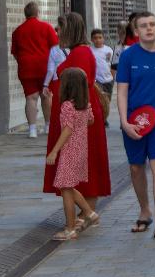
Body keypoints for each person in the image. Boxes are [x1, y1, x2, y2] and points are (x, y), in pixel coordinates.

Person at [115, 12, 155, 239]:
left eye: (152, 24)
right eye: (143, 26)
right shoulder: (128, 56)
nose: (149, 29)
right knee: (135, 167)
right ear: (136, 32)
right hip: (134, 119)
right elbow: (122, 91)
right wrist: (124, 122)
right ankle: (145, 210)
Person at [44, 13, 112, 207]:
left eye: (60, 28)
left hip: (79, 120)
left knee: (84, 164)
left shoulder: (81, 53)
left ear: (70, 30)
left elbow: (80, 90)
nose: (57, 32)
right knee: (81, 164)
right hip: (78, 118)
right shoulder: (79, 52)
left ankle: (88, 211)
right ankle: (86, 211)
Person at [45, 68, 99, 241]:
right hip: (81, 150)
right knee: (66, 186)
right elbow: (91, 120)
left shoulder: (68, 105)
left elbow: (67, 130)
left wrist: (54, 151)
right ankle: (88, 214)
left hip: (69, 151)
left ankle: (70, 228)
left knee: (66, 189)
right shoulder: (85, 104)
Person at [11, 2, 59, 139]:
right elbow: (55, 48)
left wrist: (23, 62)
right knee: (47, 95)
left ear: (25, 14)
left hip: (26, 67)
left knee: (30, 98)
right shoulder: (47, 27)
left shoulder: (18, 31)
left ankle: (32, 129)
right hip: (45, 67)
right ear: (38, 13)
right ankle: (48, 126)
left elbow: (15, 53)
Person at [90, 28, 117, 107]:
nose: (98, 40)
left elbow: (113, 65)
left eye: (100, 37)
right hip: (96, 81)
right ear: (91, 39)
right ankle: (101, 119)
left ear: (103, 38)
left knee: (107, 101)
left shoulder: (109, 50)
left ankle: (105, 118)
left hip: (108, 80)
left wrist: (111, 77)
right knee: (99, 101)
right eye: (95, 38)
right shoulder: (90, 50)